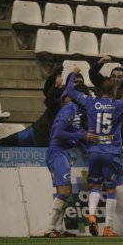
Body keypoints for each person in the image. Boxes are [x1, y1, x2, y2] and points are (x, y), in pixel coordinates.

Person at [66, 68, 123, 237]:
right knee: (111, 190)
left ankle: (91, 217)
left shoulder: (90, 102)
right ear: (114, 91)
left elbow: (70, 91)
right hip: (111, 152)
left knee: (95, 186)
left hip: (95, 151)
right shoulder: (119, 105)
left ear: (100, 91)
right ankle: (108, 228)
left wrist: (74, 74)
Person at [44, 85, 99, 237]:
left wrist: (83, 148)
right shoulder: (70, 109)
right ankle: (49, 228)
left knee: (63, 192)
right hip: (57, 153)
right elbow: (59, 132)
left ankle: (59, 229)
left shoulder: (77, 112)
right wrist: (83, 137)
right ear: (82, 97)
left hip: (63, 153)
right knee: (65, 190)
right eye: (89, 96)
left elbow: (73, 132)